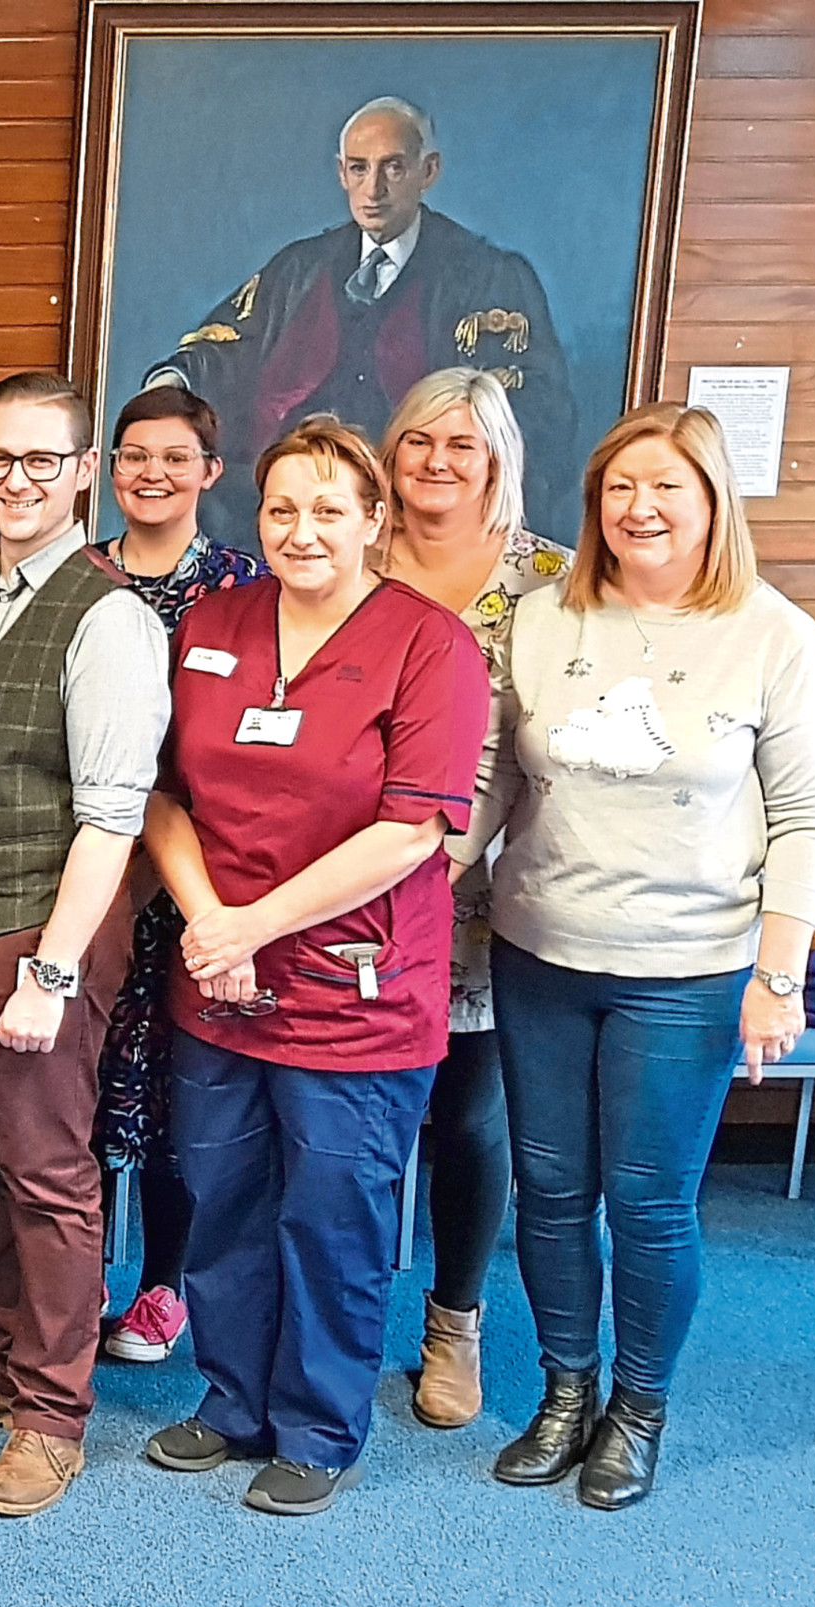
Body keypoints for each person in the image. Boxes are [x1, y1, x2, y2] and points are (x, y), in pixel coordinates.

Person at [469, 403, 815, 1510]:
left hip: (687, 969)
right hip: (542, 951)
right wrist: (422, 880)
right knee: (546, 1189)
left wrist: (777, 978)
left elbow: (806, 820)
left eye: (666, 486)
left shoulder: (774, 635)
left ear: (712, 500)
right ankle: (565, 1391)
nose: (640, 508)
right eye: (621, 487)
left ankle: (638, 1404)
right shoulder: (542, 616)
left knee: (647, 1200)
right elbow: (496, 780)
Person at [136, 417, 487, 1517]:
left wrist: (252, 924)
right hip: (219, 972)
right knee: (225, 1194)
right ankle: (233, 1400)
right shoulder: (214, 621)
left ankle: (320, 1426)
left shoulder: (431, 644)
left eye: (331, 509)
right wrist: (209, 919)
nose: (303, 530)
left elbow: (414, 830)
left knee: (334, 1212)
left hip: (356, 986)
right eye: (283, 508)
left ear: (375, 521)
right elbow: (161, 796)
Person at [0, 372, 169, 1518]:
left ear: (83, 475)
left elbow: (115, 818)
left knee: (53, 1179)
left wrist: (54, 972)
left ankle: (53, 1416)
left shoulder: (110, 617)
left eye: (42, 463)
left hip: (38, 936)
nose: (16, 481)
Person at [375, 366, 571, 1427]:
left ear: (499, 455)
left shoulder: (555, 581)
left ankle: (455, 1324)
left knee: (470, 1116)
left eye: (463, 444)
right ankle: (334, 1319)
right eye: (418, 443)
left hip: (492, 896)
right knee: (354, 1116)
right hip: (351, 888)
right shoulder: (350, 558)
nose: (438, 463)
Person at [144, 97, 575, 544]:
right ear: (340, 172)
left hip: (407, 505)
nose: (373, 190)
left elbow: (534, 406)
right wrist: (170, 385)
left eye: (392, 168)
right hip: (284, 495)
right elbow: (229, 345)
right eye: (358, 168)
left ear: (428, 171)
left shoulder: (486, 277)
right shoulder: (299, 269)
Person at [88, 385, 268, 1366]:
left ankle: (164, 1285)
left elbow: (244, 742)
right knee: (72, 1088)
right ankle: (74, 1285)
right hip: (88, 879)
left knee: (182, 1098)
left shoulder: (244, 588)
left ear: (210, 470)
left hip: (203, 882)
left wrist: (176, 869)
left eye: (173, 456)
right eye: (132, 454)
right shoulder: (74, 577)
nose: (149, 473)